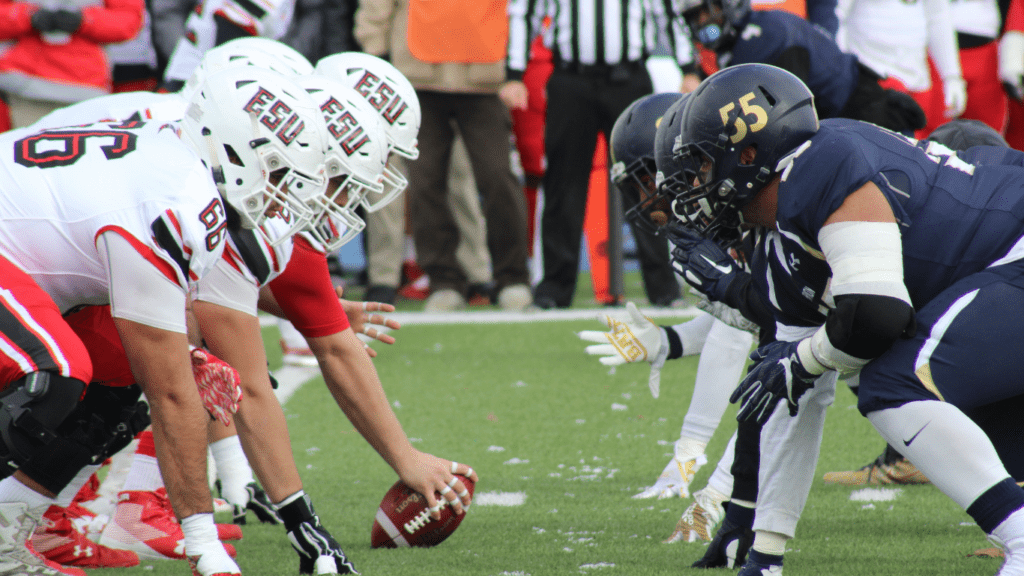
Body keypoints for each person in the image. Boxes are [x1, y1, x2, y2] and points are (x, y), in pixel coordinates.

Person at [664, 62, 1024, 575]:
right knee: (996, 443)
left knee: (893, 382)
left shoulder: (820, 162)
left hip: (1014, 253)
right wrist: (766, 552)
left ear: (747, 155)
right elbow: (794, 403)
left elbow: (877, 313)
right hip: (1004, 269)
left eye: (702, 166)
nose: (696, 188)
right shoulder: (776, 246)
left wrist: (805, 360)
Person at [0, 64, 332, 576]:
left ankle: (10, 526)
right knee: (56, 374)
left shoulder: (184, 166)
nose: (283, 193)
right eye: (278, 171)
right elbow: (173, 394)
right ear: (236, 151)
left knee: (120, 369)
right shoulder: (177, 198)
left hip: (26, 258)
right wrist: (204, 544)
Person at [578, 93, 756, 504]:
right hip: (847, 308)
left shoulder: (744, 207)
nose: (643, 199)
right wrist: (669, 342)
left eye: (645, 180)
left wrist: (688, 452)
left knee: (839, 384)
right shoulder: (714, 213)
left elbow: (739, 329)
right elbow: (750, 312)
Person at [504, 0, 690, 309]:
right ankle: (554, 288)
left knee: (647, 183)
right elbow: (525, 12)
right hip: (571, 78)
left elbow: (669, 13)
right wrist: (514, 72)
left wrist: (689, 67)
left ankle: (664, 287)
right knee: (563, 183)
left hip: (628, 79)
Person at [355, 0, 533, 312]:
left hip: (485, 78)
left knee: (498, 179)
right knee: (426, 183)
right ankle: (444, 280)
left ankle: (512, 278)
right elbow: (376, 8)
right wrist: (380, 62)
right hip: (417, 78)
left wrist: (515, 71)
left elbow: (519, 10)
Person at [679, 0, 926, 135]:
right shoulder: (739, 41)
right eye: (695, 17)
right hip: (842, 119)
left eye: (707, 11)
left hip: (864, 115)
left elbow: (784, 117)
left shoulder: (762, 36)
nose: (703, 22)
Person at [0, 0, 145, 127]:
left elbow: (129, 20)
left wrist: (85, 20)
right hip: (20, 86)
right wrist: (24, 16)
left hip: (84, 88)